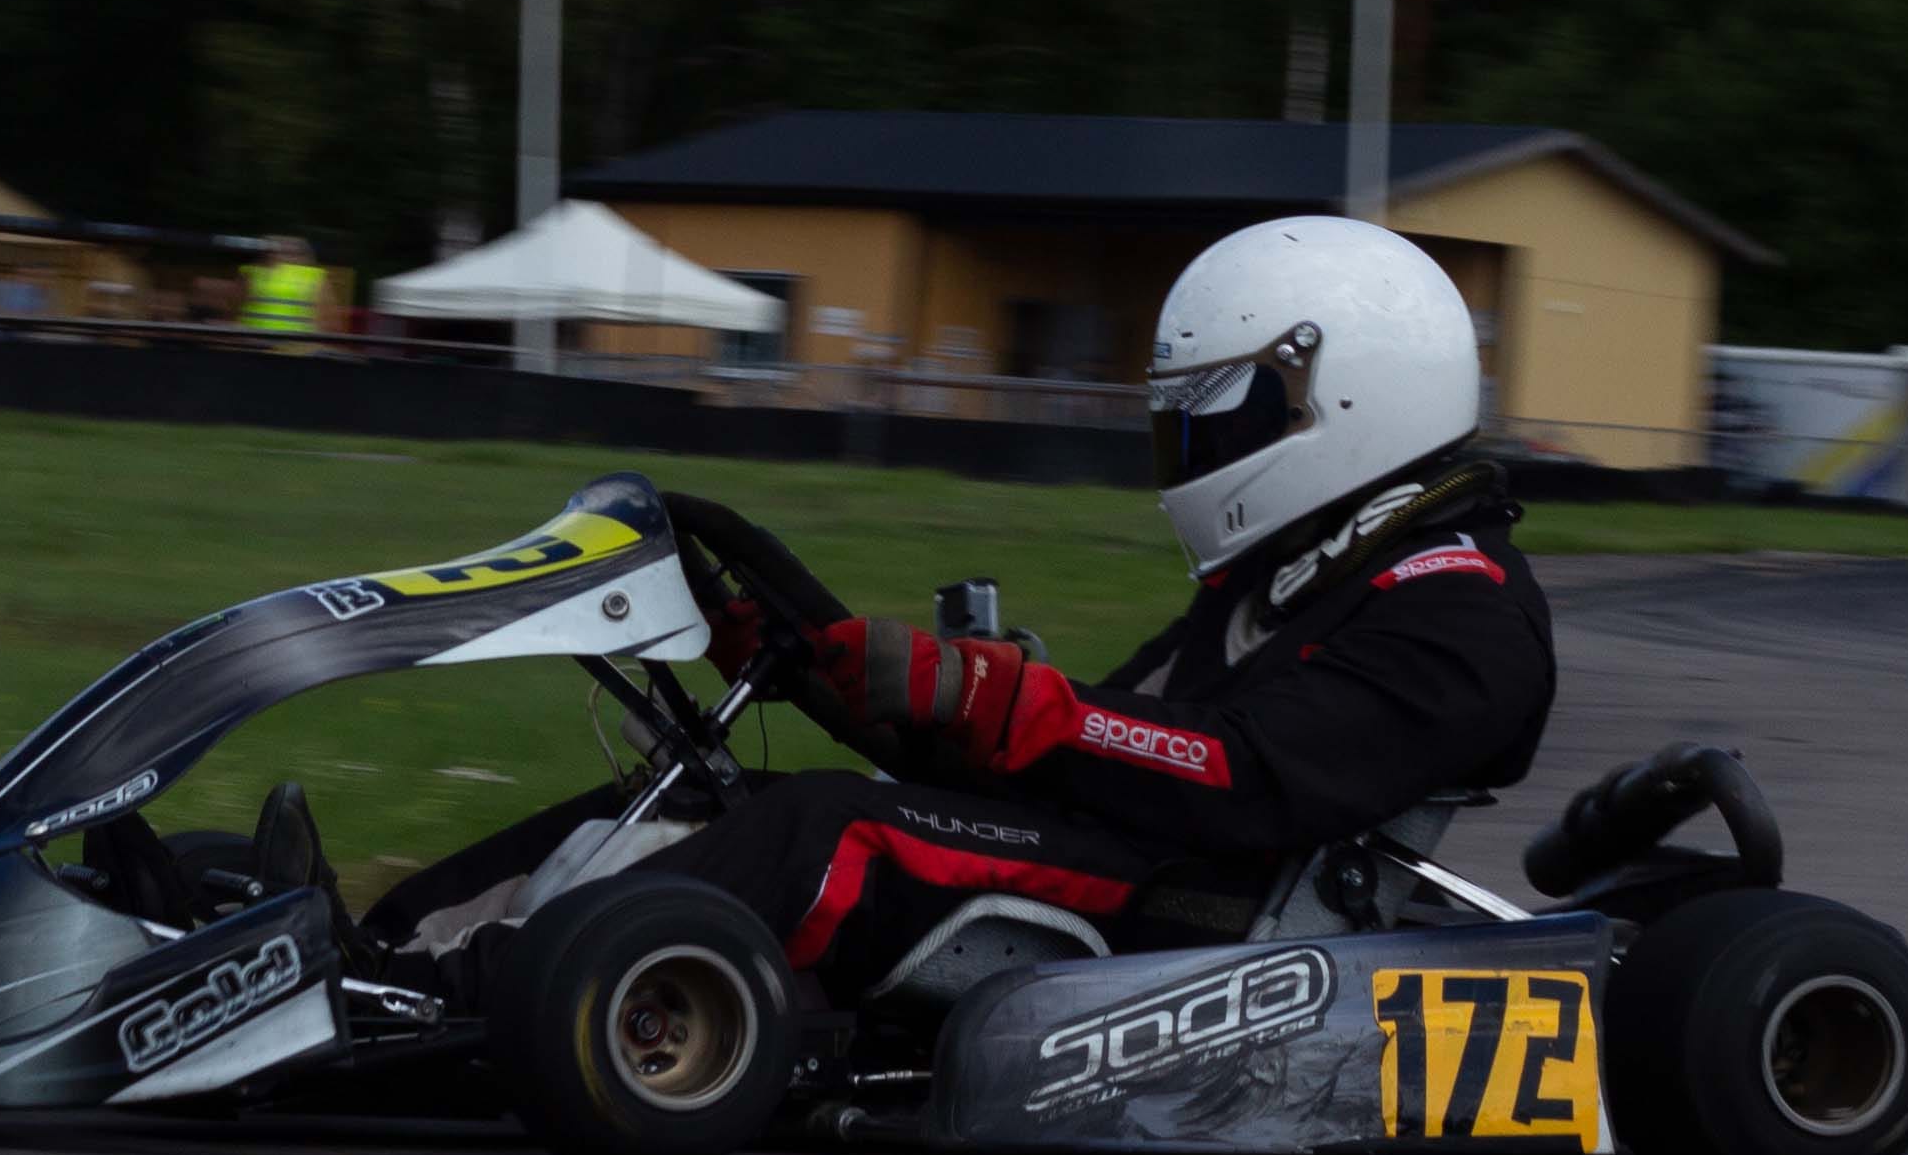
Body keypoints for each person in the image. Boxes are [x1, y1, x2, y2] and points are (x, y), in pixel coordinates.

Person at [369, 216, 1556, 1002]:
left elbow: (1245, 779)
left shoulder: (1460, 610)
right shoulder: (1294, 574)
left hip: (1209, 915)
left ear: (1341, 396)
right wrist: (836, 678)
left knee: (830, 829)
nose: (1194, 451)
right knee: (707, 794)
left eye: (1218, 416)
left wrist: (1003, 698)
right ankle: (377, 947)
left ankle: (478, 996)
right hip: (1136, 861)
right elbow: (1088, 753)